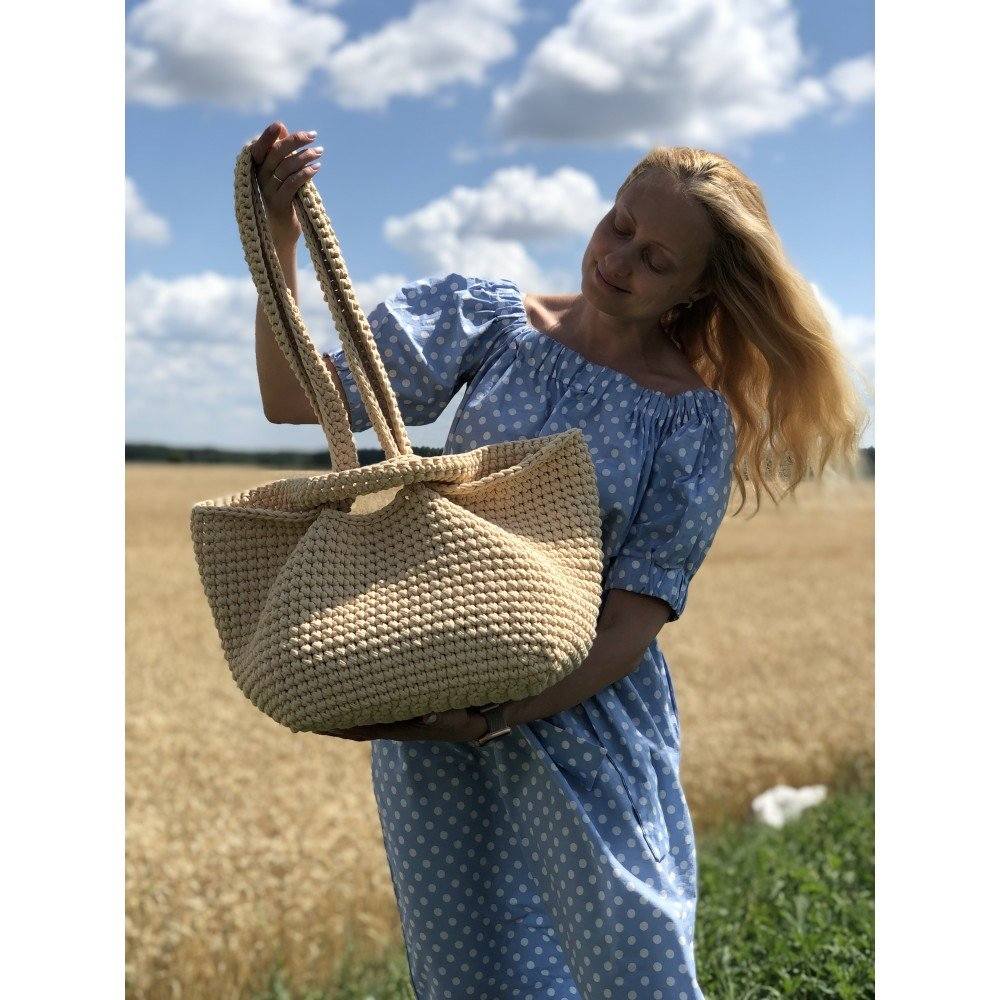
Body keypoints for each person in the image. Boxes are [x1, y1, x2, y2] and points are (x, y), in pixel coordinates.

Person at [251, 120, 869, 1000]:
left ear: (696, 289)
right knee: (472, 978)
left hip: (588, 725)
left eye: (657, 259)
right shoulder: (490, 326)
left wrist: (498, 716)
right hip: (437, 710)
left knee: (640, 975)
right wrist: (278, 234)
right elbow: (292, 397)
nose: (619, 260)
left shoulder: (688, 422)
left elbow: (633, 618)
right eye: (620, 225)